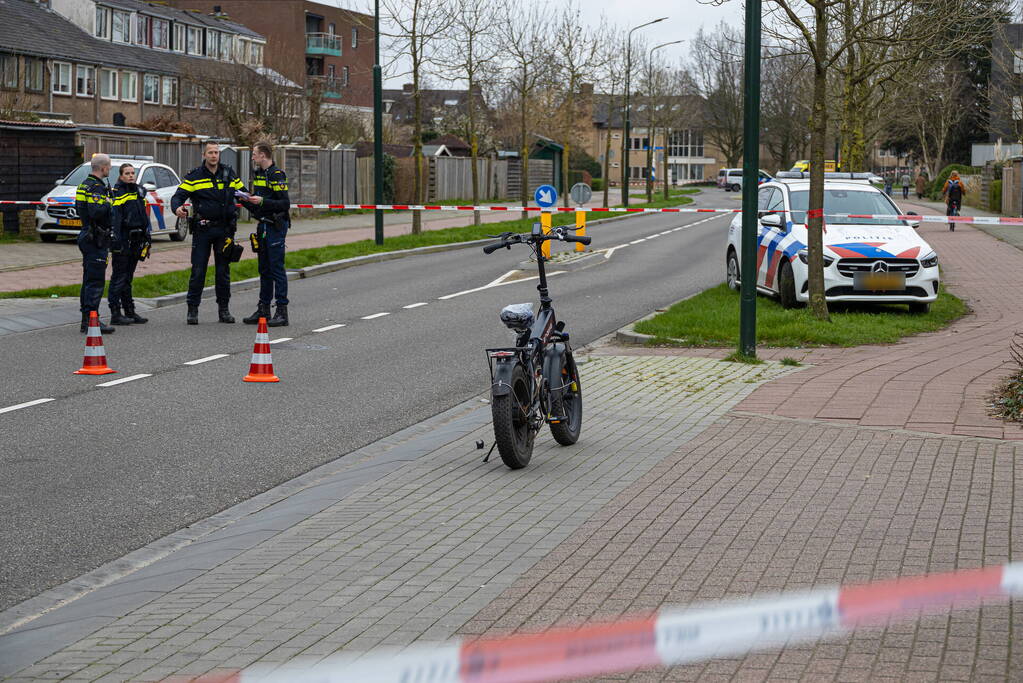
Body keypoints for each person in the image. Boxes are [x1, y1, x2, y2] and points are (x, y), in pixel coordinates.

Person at [171, 141, 244, 324]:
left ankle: (224, 310)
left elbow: (244, 194)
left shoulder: (228, 173)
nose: (214, 155)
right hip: (203, 230)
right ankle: (192, 310)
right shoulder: (195, 176)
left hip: (224, 230)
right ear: (204, 155)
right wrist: (177, 208)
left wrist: (261, 205)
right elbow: (178, 196)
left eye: (216, 152)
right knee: (198, 271)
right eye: (210, 152)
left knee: (223, 271)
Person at [241, 141, 291, 327]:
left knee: (276, 268)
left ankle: (282, 311)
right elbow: (259, 203)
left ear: (263, 155)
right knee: (264, 269)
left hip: (275, 227)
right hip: (262, 226)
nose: (252, 157)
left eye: (254, 154)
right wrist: (244, 198)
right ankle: (263, 309)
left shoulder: (277, 175)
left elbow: (284, 204)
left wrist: (262, 201)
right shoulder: (259, 174)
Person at [75, 154, 115, 334]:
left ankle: (86, 320)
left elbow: (79, 208)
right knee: (95, 281)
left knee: (88, 279)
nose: (110, 169)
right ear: (103, 168)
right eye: (109, 166)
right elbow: (96, 211)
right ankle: (92, 321)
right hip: (96, 238)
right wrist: (109, 202)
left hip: (87, 234)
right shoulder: (97, 187)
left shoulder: (83, 184)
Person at [108, 163, 152, 325]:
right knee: (118, 278)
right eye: (127, 173)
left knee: (128, 278)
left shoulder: (138, 191)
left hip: (137, 240)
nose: (130, 176)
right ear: (120, 176)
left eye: (133, 173)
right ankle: (115, 312)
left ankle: (130, 311)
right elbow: (116, 219)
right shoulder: (117, 193)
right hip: (123, 240)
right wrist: (116, 242)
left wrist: (147, 237)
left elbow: (144, 217)